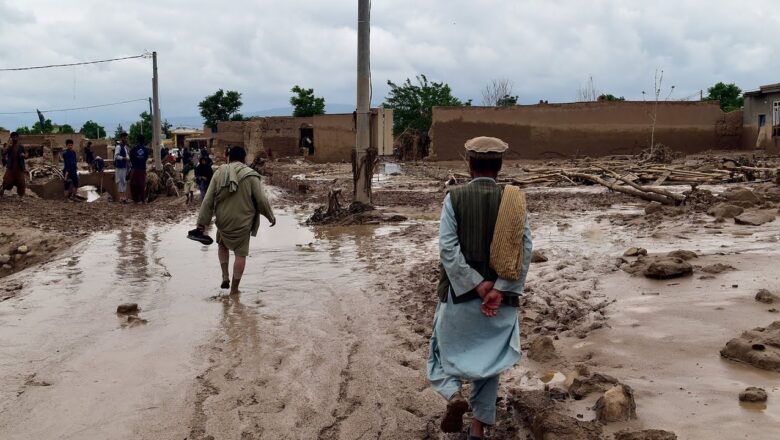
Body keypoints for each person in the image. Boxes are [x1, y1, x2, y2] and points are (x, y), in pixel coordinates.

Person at [427, 137, 532, 439]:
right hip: (500, 303)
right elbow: (524, 249)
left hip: (459, 297)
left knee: (438, 351)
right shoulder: (514, 200)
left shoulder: (454, 198)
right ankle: (477, 429)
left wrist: (476, 284)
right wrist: (499, 288)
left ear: (469, 164)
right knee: (489, 364)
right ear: (499, 166)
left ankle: (453, 395)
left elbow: (448, 249)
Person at [193, 146, 275, 295]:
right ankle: (234, 290)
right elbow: (261, 200)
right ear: (244, 159)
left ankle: (225, 275)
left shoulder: (219, 173)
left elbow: (208, 200)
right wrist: (270, 216)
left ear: (229, 157)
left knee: (222, 245)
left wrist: (202, 224)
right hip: (243, 222)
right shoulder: (251, 175)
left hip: (223, 221)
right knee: (240, 254)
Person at [1, 132, 27, 197]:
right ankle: (2, 190)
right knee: (7, 182)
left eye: (16, 136)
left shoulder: (21, 147)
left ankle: (21, 196)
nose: (15, 138)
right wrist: (8, 146)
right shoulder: (10, 146)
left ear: (18, 137)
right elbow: (3, 153)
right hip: (11, 168)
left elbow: (26, 155)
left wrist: (24, 155)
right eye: (13, 137)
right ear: (11, 138)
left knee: (21, 183)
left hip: (19, 168)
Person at [129, 135, 151, 203]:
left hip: (135, 169)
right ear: (143, 141)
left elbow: (130, 156)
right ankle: (143, 200)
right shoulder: (145, 149)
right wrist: (141, 162)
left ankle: (135, 200)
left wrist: (135, 163)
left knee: (134, 184)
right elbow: (146, 158)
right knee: (142, 184)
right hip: (142, 169)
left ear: (137, 140)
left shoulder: (134, 149)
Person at [114, 133, 130, 203]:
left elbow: (127, 156)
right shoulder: (118, 147)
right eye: (125, 138)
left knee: (123, 181)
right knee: (120, 181)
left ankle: (124, 197)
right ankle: (121, 198)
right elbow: (116, 156)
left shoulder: (125, 147)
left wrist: (127, 158)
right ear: (122, 138)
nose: (126, 139)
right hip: (119, 167)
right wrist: (123, 158)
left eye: (127, 138)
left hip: (124, 166)